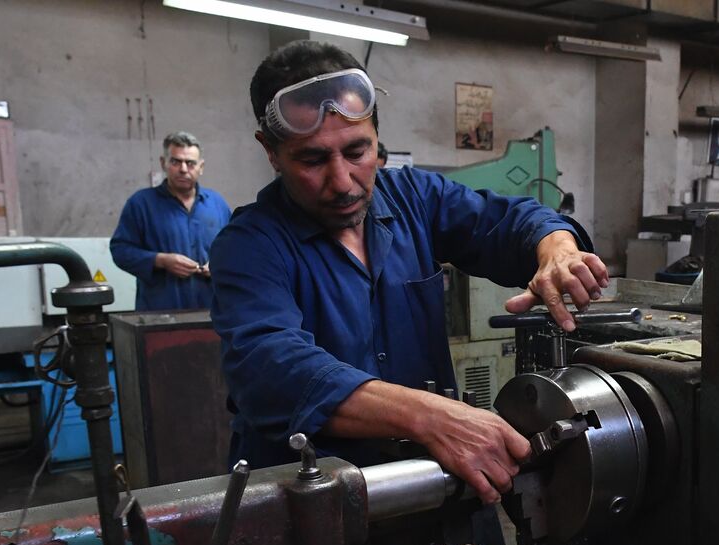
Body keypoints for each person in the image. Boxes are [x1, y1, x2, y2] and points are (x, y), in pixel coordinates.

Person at [210, 41, 609, 507]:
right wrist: (433, 417)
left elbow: (506, 222)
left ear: (378, 137)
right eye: (312, 160)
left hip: (432, 486)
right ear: (272, 152)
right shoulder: (249, 245)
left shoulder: (414, 198)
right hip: (314, 506)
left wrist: (556, 249)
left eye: (357, 151)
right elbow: (273, 370)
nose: (342, 182)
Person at [111, 131, 232, 310]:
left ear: (201, 167)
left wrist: (219, 264)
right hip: (161, 315)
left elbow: (235, 249)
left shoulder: (217, 204)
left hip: (213, 313)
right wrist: (160, 260)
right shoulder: (141, 204)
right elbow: (120, 251)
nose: (183, 169)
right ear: (163, 163)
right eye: (176, 161)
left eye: (190, 163)